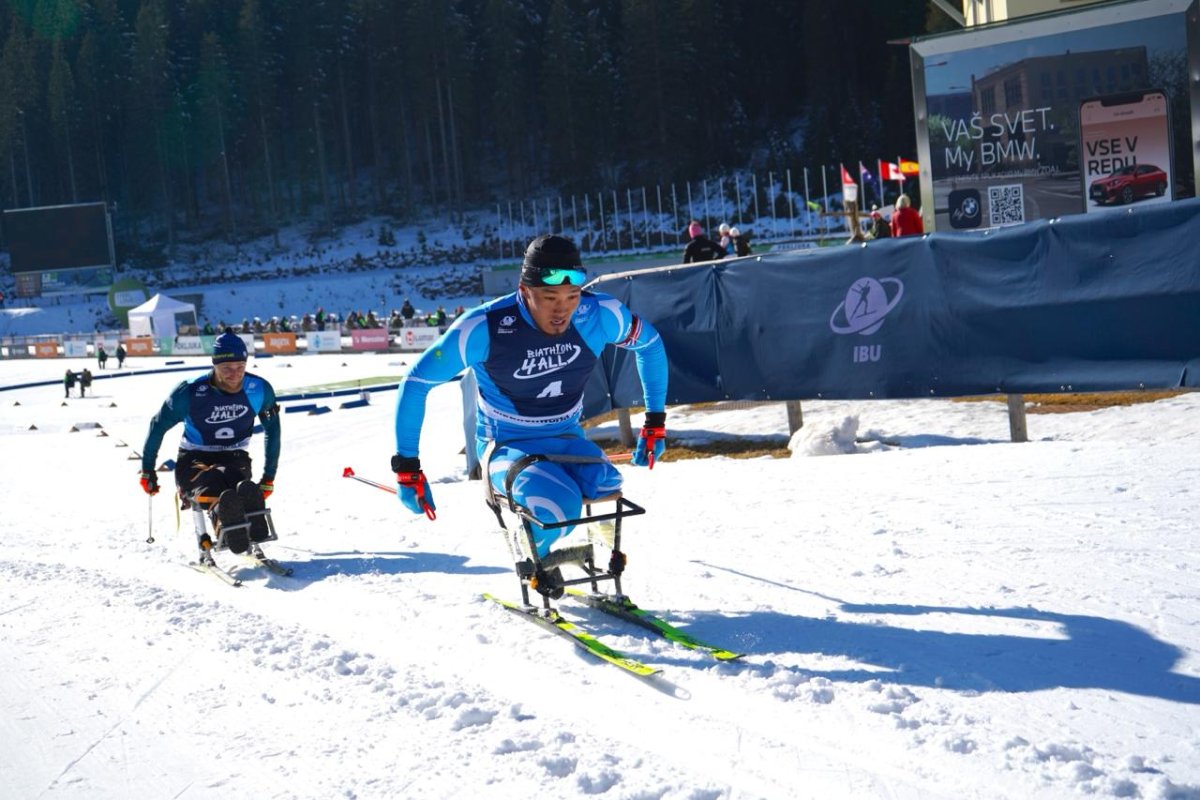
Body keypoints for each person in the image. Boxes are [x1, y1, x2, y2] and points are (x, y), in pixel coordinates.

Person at [392, 234, 669, 589]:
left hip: (566, 435)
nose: (562, 309)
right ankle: (531, 560)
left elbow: (651, 345)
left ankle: (583, 554)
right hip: (505, 443)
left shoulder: (599, 314)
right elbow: (416, 382)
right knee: (559, 507)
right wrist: (407, 470)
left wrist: (655, 423)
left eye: (571, 297)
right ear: (524, 291)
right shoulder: (484, 326)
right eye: (549, 297)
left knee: (606, 482)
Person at [138, 331, 280, 555]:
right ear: (214, 365)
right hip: (194, 458)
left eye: (240, 367)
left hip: (235, 456)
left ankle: (246, 518)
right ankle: (228, 521)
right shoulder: (190, 391)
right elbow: (158, 425)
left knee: (235, 479)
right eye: (227, 369)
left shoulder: (259, 389)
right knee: (214, 480)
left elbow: (273, 430)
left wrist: (268, 477)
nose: (235, 375)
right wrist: (147, 470)